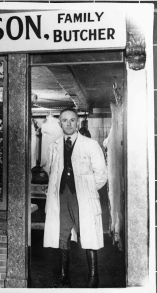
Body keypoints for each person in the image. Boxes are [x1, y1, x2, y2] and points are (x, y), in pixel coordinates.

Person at [43, 108, 107, 288]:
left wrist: (87, 189)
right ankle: (64, 276)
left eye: (72, 120)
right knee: (62, 235)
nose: (69, 124)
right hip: (62, 196)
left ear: (77, 122)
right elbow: (51, 171)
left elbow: (101, 174)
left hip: (83, 198)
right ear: (60, 123)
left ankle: (94, 276)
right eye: (65, 120)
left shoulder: (90, 144)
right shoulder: (53, 145)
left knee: (88, 235)